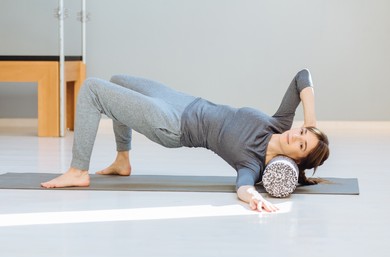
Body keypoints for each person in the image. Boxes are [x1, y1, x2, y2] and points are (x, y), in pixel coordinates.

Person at [41, 69, 329, 213]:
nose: (297, 135)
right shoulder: (279, 123)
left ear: (295, 160)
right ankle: (122, 159)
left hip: (173, 124)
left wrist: (253, 198)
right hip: (182, 100)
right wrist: (312, 122)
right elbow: (301, 76)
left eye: (301, 145)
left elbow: (242, 187)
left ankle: (78, 171)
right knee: (117, 80)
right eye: (303, 132)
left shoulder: (253, 163)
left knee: (93, 88)